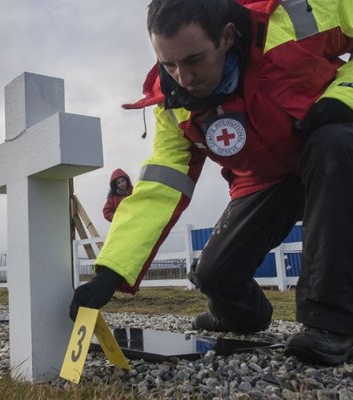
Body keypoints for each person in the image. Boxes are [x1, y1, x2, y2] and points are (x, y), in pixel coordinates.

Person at [70, 0, 353, 366]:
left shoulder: (294, 20)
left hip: (330, 151)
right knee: (213, 276)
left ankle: (330, 323)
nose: (182, 78)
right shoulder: (174, 105)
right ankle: (244, 315)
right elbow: (162, 186)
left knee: (335, 144)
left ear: (226, 36)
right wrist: (110, 273)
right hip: (263, 180)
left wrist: (345, 95)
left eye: (193, 60)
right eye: (168, 63)